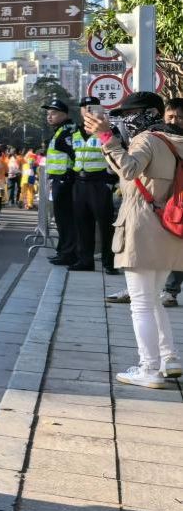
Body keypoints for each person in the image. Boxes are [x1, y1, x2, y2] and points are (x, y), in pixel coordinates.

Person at [83, 92, 182, 387]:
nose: (126, 120)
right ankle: (169, 357)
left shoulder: (146, 139)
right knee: (153, 300)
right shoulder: (176, 140)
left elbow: (128, 169)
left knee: (141, 304)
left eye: (129, 114)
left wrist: (106, 137)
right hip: (170, 229)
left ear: (149, 113)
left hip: (142, 227)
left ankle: (148, 368)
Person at [70, 95, 119, 274]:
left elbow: (118, 153)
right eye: (84, 107)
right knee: (82, 223)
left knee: (105, 225)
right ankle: (85, 260)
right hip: (80, 183)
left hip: (100, 182)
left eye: (92, 107)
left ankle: (109, 263)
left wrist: (111, 181)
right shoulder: (75, 131)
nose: (88, 110)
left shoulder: (109, 129)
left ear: (100, 109)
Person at [42, 98, 79, 266]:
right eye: (48, 114)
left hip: (65, 180)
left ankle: (68, 253)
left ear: (65, 115)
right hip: (59, 180)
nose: (49, 116)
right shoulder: (60, 131)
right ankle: (63, 250)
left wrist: (71, 175)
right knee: (61, 218)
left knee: (65, 219)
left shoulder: (67, 132)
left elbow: (76, 155)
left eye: (54, 113)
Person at [159, 97, 183, 308]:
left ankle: (170, 290)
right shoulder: (156, 138)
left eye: (180, 118)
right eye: (171, 116)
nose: (174, 121)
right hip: (160, 199)